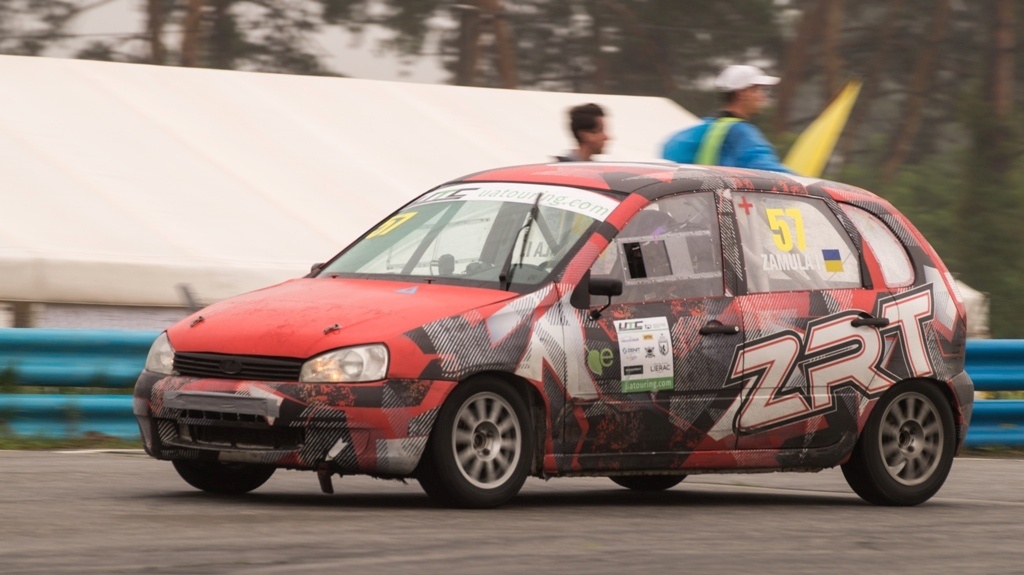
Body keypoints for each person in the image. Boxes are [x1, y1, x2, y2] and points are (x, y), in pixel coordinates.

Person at [662, 64, 793, 173]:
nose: (763, 96)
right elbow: (772, 172)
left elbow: (670, 153)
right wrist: (803, 182)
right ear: (742, 92)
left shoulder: (704, 128)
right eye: (759, 90)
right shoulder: (741, 132)